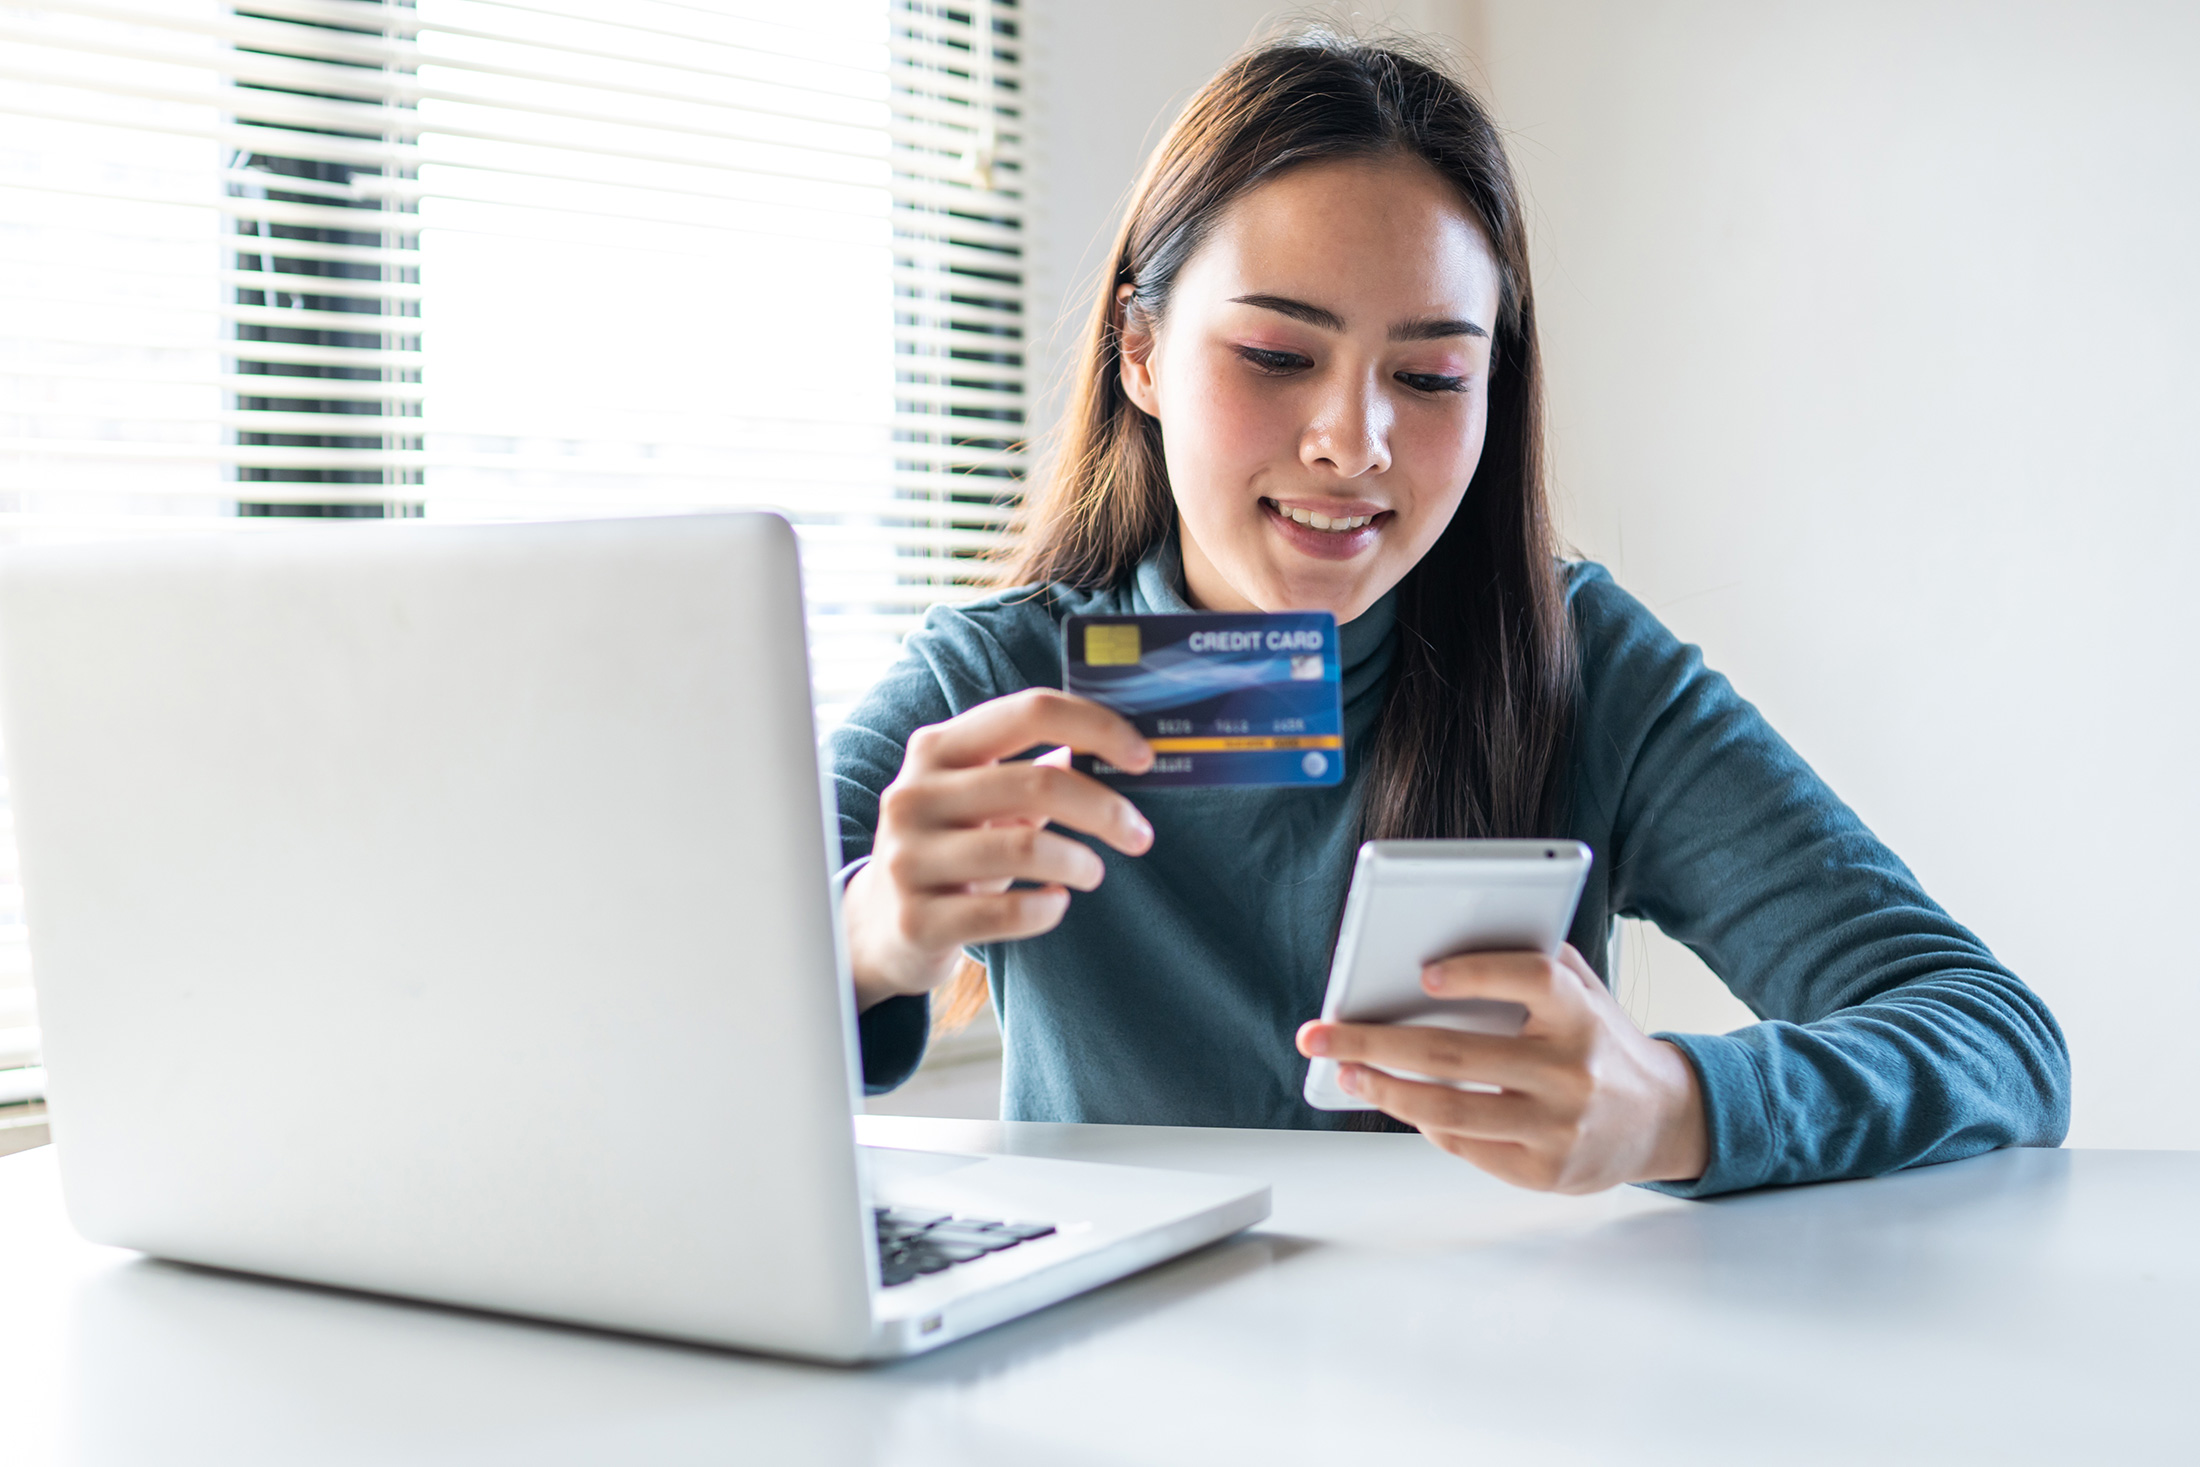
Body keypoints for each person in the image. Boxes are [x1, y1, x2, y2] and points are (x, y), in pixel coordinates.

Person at [830, 33, 2069, 1197]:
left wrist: (1677, 1104)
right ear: (1140, 355)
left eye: (1429, 378)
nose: (1350, 444)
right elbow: (673, 1019)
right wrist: (869, 936)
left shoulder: (1581, 666)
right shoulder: (988, 680)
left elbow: (1996, 1039)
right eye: (1274, 355)